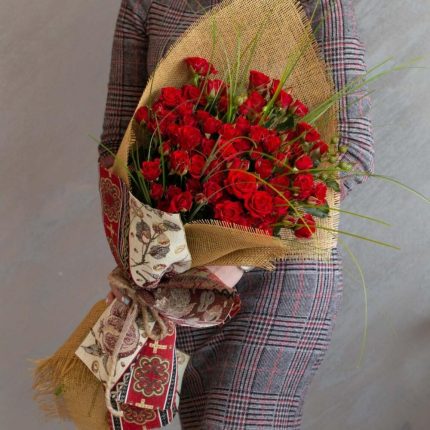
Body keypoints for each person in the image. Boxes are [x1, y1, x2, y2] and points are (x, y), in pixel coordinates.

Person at [100, 0, 374, 428]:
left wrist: (239, 259)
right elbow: (117, 147)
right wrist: (133, 262)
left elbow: (352, 151)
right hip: (180, 277)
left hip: (282, 271)